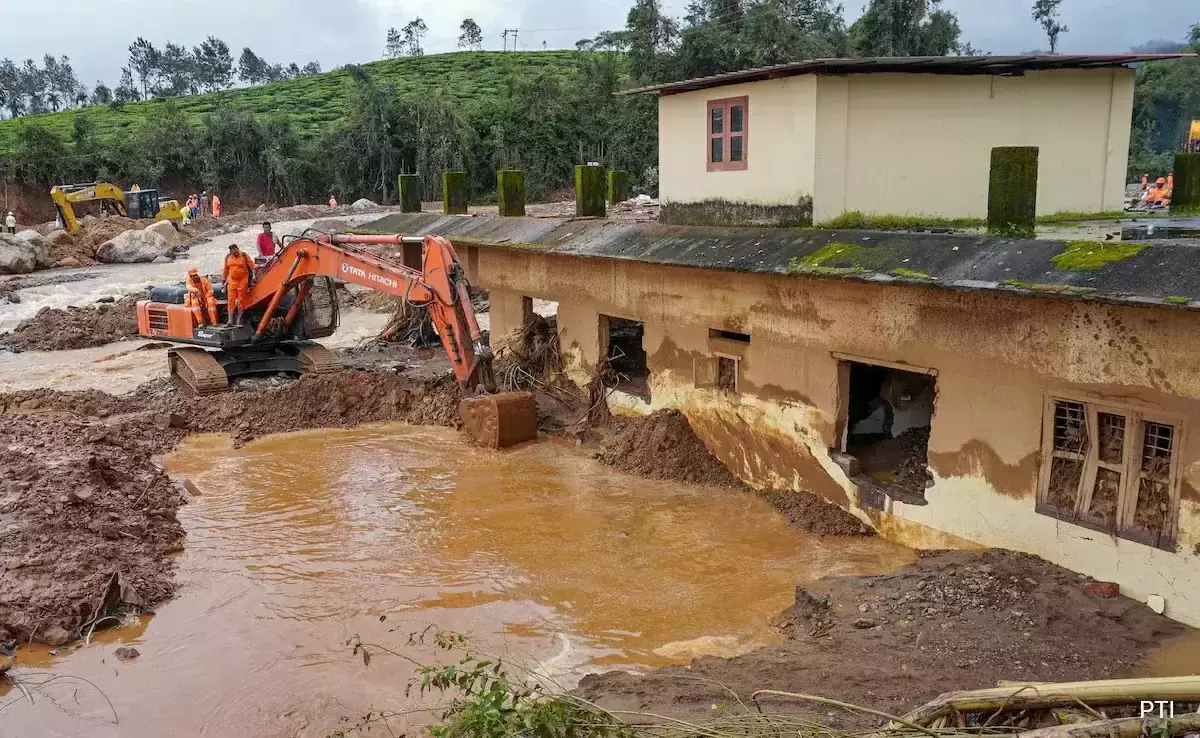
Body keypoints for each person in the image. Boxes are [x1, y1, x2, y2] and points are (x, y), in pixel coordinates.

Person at [222, 244, 255, 327]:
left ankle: (239, 320)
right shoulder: (228, 257)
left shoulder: (244, 255)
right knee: (230, 300)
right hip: (232, 281)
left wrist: (259, 266)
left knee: (241, 300)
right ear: (230, 252)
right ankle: (230, 321)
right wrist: (223, 279)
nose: (235, 254)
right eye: (234, 253)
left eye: (236, 252)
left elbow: (252, 265)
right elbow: (226, 269)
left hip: (243, 280)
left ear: (238, 249)